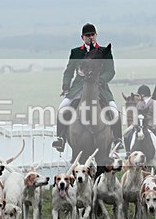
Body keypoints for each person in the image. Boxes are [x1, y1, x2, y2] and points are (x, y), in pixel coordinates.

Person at [52, 23, 122, 152]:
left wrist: (100, 80)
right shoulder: (76, 52)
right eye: (87, 35)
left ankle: (118, 138)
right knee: (63, 108)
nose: (90, 37)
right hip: (78, 89)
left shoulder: (104, 51)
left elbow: (110, 71)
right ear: (82, 37)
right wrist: (66, 85)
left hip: (100, 88)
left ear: (96, 35)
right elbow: (69, 71)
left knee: (114, 111)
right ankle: (61, 138)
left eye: (92, 34)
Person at [122, 85, 156, 160]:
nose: (138, 96)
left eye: (139, 95)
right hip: (139, 125)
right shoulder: (139, 104)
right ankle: (128, 152)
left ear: (143, 95)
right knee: (126, 133)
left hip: (151, 125)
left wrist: (153, 125)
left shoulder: (154, 103)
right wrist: (135, 124)